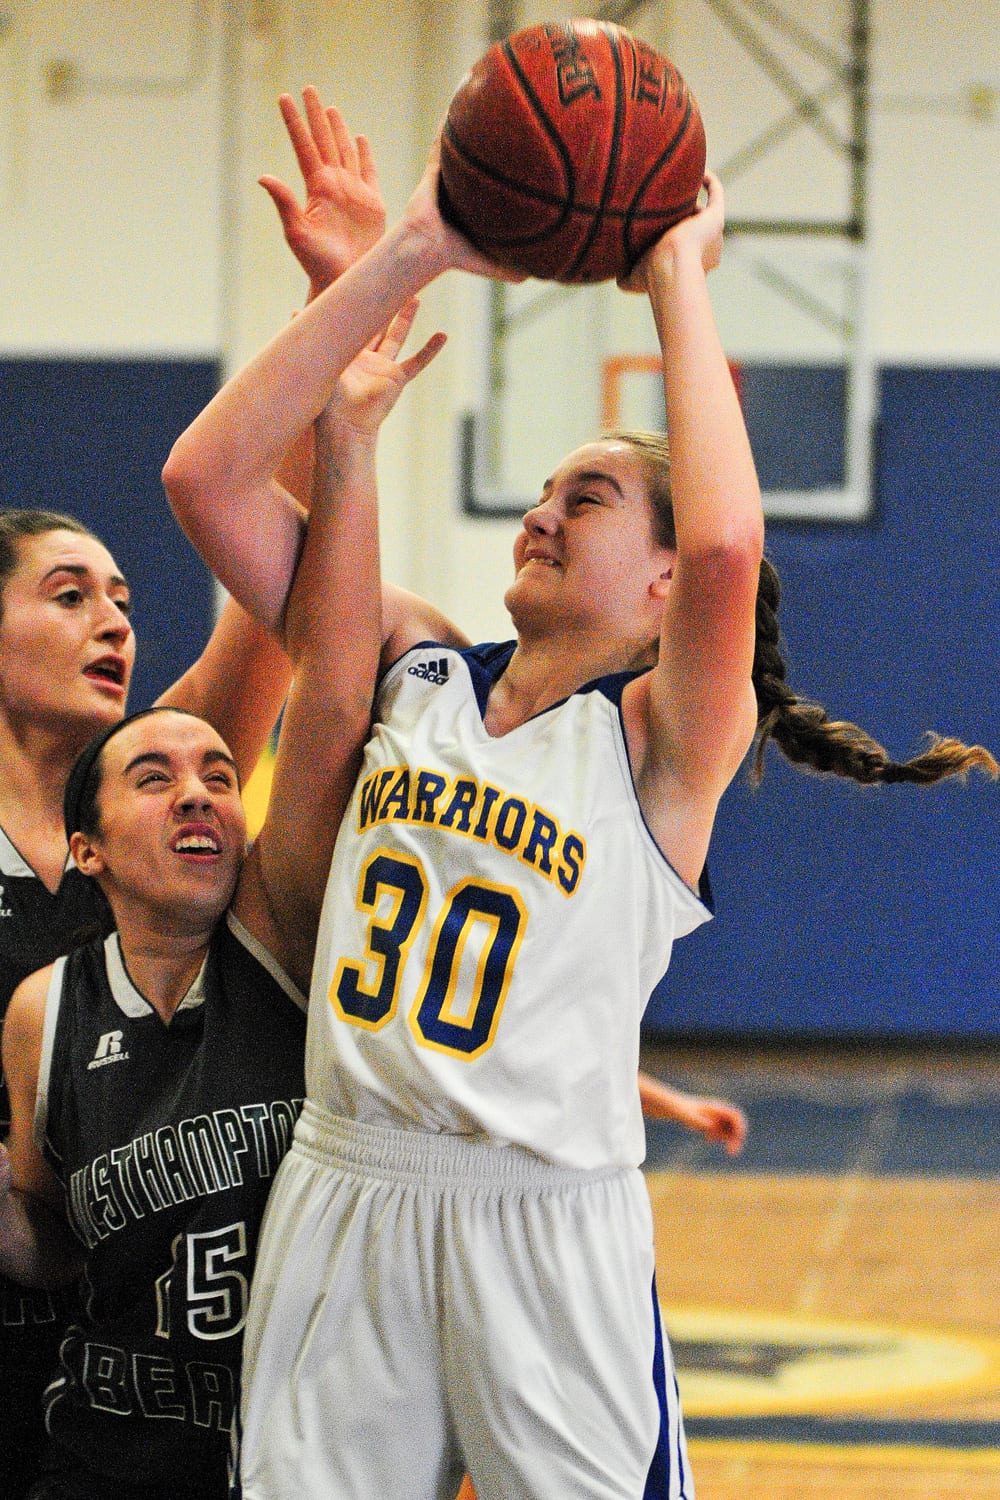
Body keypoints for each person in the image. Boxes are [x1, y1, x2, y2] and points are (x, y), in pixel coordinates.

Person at [162, 93, 997, 1500]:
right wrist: (407, 252)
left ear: (664, 583)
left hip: (544, 1219)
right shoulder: (409, 663)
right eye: (545, 488)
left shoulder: (663, 746)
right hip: (346, 1181)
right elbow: (209, 478)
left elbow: (733, 544)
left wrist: (677, 276)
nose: (543, 510)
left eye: (592, 497)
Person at [0, 289, 444, 1498]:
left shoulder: (162, 793)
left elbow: (289, 610)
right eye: (71, 595)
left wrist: (330, 329)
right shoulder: (49, 995)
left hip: (177, 1350)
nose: (115, 624)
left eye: (126, 603)